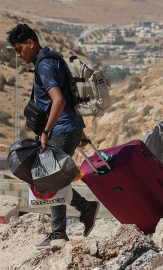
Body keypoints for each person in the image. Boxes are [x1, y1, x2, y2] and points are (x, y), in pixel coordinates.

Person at [7, 24, 100, 249]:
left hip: (60, 129)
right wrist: (79, 130)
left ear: (31, 43)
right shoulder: (54, 59)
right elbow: (71, 97)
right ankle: (84, 210)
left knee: (49, 177)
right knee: (54, 177)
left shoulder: (45, 64)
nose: (19, 55)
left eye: (20, 49)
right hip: (68, 127)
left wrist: (46, 131)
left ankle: (61, 231)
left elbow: (59, 100)